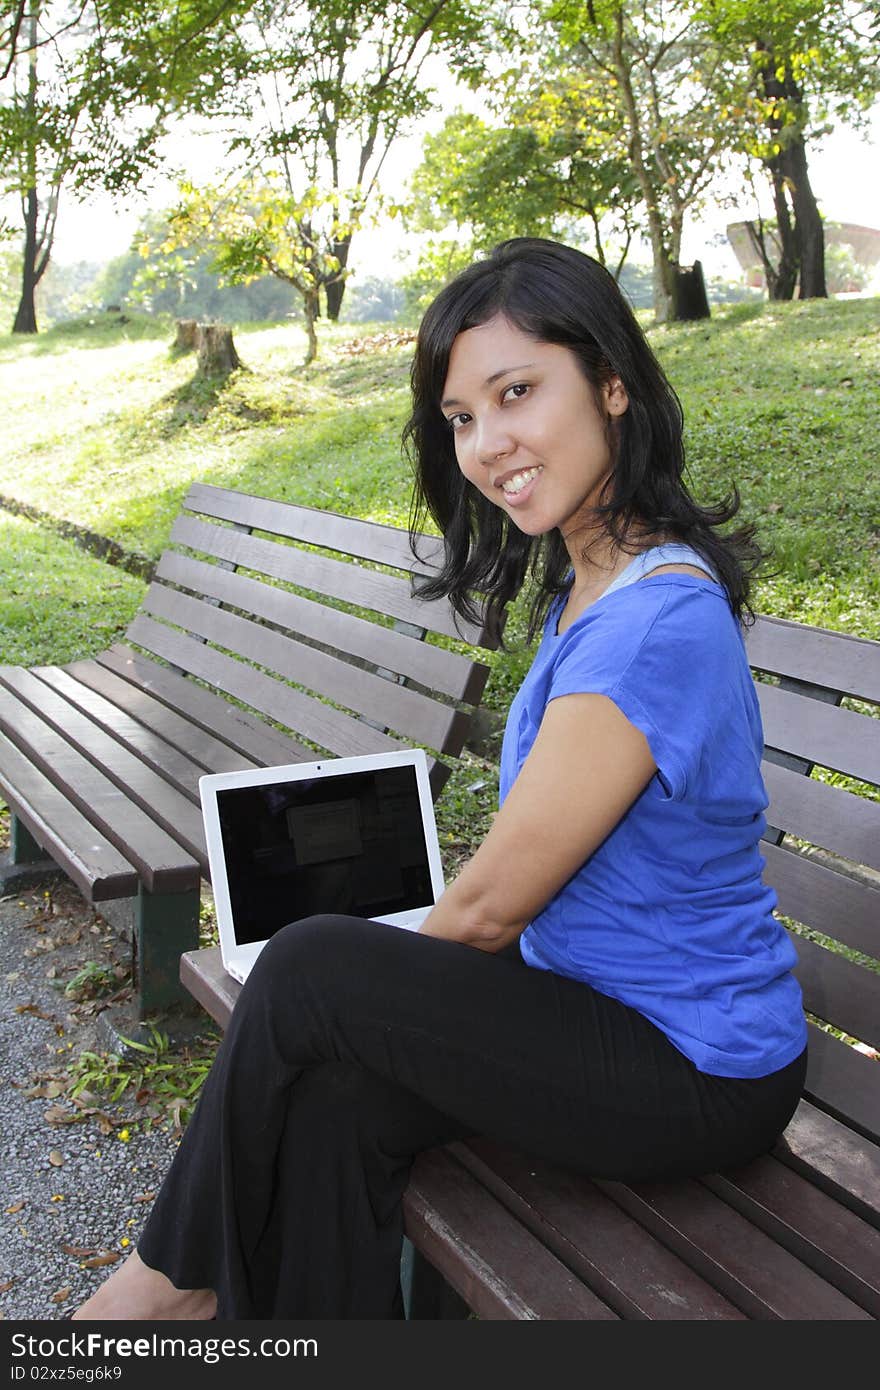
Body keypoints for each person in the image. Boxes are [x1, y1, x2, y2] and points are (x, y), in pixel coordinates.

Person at [72, 237, 807, 1321]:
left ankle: (167, 1288)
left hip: (694, 1066)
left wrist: (370, 993)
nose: (486, 441)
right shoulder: (594, 584)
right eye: (462, 417)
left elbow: (487, 910)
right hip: (590, 1007)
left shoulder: (652, 623)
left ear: (611, 383)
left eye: (516, 393)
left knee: (312, 966)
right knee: (330, 1105)